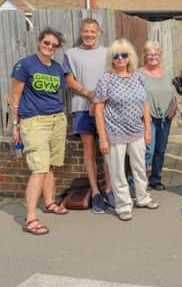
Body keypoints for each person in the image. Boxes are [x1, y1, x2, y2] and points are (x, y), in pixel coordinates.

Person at [11, 28, 68, 235]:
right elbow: (15, 98)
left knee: (51, 165)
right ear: (39, 42)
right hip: (34, 122)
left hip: (57, 120)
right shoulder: (25, 65)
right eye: (47, 43)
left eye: (54, 45)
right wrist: (16, 126)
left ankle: (50, 202)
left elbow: (57, 95)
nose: (50, 47)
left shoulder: (57, 68)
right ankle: (30, 218)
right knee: (39, 169)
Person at [95, 39, 159, 221]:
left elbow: (144, 104)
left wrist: (147, 129)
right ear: (112, 59)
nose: (121, 59)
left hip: (136, 131)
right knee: (117, 172)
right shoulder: (106, 79)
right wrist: (102, 138)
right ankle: (123, 205)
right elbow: (99, 111)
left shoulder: (138, 76)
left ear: (130, 57)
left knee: (139, 167)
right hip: (114, 133)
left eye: (124, 55)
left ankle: (142, 197)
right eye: (117, 56)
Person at [64, 18, 113, 213]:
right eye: (86, 31)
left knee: (107, 151)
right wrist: (89, 94)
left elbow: (113, 78)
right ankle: (95, 193)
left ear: (99, 32)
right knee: (89, 153)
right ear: (81, 32)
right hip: (82, 108)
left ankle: (109, 190)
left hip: (107, 109)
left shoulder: (108, 53)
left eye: (93, 31)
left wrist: (99, 101)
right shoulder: (71, 54)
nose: (89, 34)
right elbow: (69, 80)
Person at [139, 41, 177, 190]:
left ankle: (155, 179)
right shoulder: (139, 73)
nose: (152, 57)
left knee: (160, 150)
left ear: (160, 56)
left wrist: (174, 107)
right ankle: (136, 182)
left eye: (155, 54)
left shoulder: (166, 72)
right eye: (149, 54)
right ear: (144, 56)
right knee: (148, 151)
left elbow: (172, 93)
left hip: (165, 118)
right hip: (148, 118)